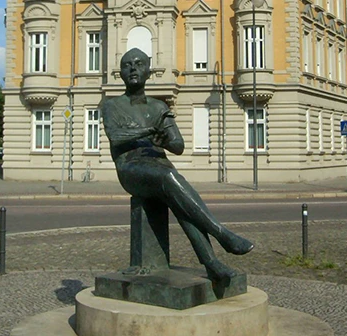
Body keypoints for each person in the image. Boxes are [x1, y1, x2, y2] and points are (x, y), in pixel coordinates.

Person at [101, 48, 253, 280]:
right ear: (120, 73)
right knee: (170, 180)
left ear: (149, 71)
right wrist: (150, 131)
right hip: (130, 168)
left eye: (139, 64)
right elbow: (116, 137)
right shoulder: (112, 106)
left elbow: (178, 145)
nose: (133, 68)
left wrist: (167, 141)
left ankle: (211, 263)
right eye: (127, 64)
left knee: (180, 201)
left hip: (159, 166)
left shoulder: (159, 108)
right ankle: (221, 234)